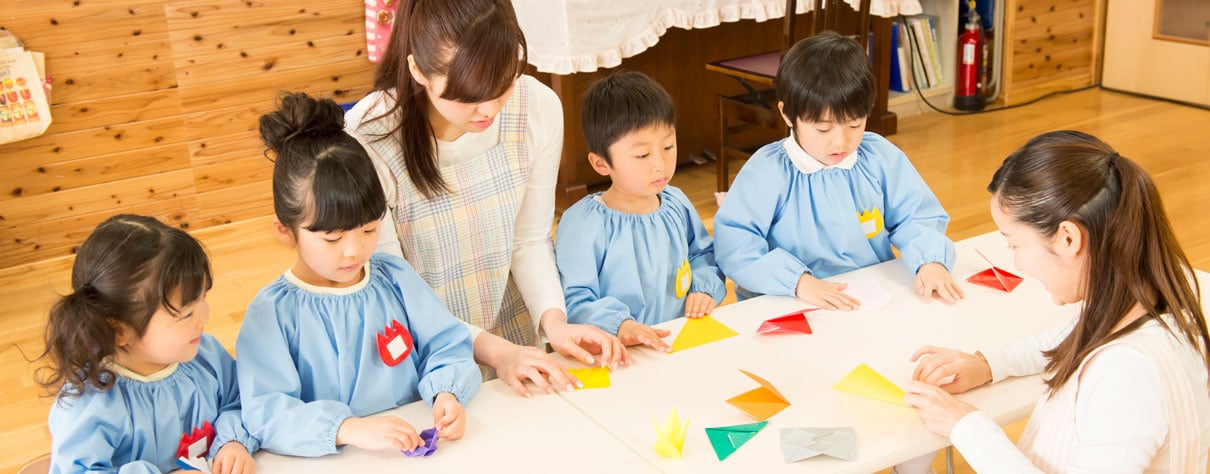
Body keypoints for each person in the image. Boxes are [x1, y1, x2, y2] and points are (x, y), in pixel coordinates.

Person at [344, 0, 627, 394]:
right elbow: (392, 286)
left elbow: (528, 239)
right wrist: (494, 352)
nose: (490, 108)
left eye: (504, 82)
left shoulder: (537, 107)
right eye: (467, 94)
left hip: (513, 334)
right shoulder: (371, 135)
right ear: (417, 70)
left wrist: (554, 321)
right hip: (424, 353)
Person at [905, 130, 1210, 472]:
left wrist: (969, 427)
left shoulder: (1126, 373)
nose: (1017, 262)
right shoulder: (1148, 306)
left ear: (1068, 237)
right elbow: (1070, 336)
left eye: (1014, 244)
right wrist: (990, 364)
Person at [237, 93, 480, 456]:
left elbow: (447, 345)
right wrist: (346, 429)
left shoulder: (395, 279)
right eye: (332, 237)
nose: (354, 250)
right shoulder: (271, 314)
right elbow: (266, 412)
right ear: (286, 231)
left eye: (369, 229)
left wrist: (446, 391)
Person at [713, 31, 963, 309]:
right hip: (789, 298)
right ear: (787, 114)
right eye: (823, 128)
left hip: (869, 295)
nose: (841, 141)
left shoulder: (878, 155)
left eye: (855, 124)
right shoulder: (767, 171)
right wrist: (798, 281)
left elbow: (915, 215)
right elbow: (736, 245)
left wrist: (929, 260)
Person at [40, 214, 257, 474]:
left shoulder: (205, 356)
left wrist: (231, 442)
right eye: (186, 313)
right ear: (119, 330)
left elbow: (241, 399)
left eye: (203, 298)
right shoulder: (89, 405)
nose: (204, 317)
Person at [555, 71, 726, 352]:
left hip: (678, 342)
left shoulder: (676, 203)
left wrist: (704, 288)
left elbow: (702, 255)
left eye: (668, 146)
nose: (660, 164)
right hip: (615, 353)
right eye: (642, 155)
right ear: (601, 164)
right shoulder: (582, 224)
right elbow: (575, 298)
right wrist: (621, 325)